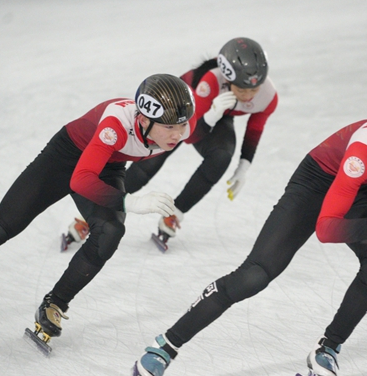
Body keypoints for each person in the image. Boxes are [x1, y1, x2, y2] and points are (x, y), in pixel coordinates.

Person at [133, 83, 367, 376]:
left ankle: (328, 349)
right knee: (255, 275)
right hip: (316, 183)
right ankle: (166, 346)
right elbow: (326, 230)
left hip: (358, 186)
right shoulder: (365, 150)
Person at [0, 74, 195, 346]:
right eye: (170, 127)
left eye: (182, 125)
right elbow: (80, 179)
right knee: (1, 227)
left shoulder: (180, 123)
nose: (178, 133)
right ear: (143, 120)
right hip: (64, 158)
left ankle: (56, 303)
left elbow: (203, 128)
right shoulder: (116, 124)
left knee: (111, 231)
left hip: (108, 165)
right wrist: (128, 201)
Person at [63, 37, 278, 250]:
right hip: (176, 114)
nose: (249, 95)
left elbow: (255, 129)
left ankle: (175, 214)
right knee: (148, 164)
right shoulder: (209, 82)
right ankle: (90, 215)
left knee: (222, 156)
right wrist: (212, 114)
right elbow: (190, 136)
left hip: (217, 114)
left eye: (254, 89)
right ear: (227, 79)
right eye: (242, 90)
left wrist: (244, 165)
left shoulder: (268, 96)